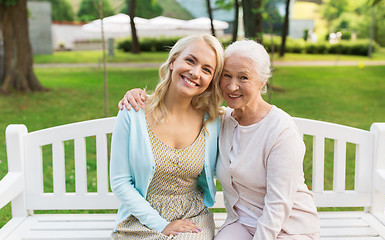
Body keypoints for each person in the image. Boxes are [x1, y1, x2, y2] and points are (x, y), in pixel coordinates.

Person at [119, 39, 320, 240]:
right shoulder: (221, 121)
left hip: (289, 227)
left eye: (243, 77)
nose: (232, 86)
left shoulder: (281, 130)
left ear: (263, 81)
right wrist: (135, 94)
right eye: (227, 76)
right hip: (241, 225)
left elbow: (279, 203)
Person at [110, 34, 225, 239]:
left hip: (192, 217)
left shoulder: (213, 120)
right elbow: (120, 182)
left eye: (207, 70)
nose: (195, 72)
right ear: (173, 61)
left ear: (211, 80)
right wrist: (161, 225)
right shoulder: (133, 112)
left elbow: (249, 113)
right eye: (190, 60)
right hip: (139, 218)